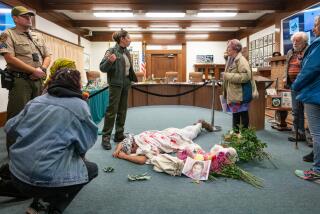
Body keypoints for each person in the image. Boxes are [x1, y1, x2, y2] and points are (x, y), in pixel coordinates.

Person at [4, 68, 98, 213]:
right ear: (78, 86)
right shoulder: (80, 106)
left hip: (16, 171)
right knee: (91, 169)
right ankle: (43, 206)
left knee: (25, 171)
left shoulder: (37, 100)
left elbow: (10, 128)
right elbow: (84, 144)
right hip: (43, 180)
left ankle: (15, 187)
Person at [0, 6, 51, 153]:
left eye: (29, 16)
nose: (29, 18)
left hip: (38, 81)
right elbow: (9, 57)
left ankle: (34, 149)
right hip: (21, 82)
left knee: (38, 115)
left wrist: (42, 69)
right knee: (17, 117)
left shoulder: (38, 36)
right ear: (15, 18)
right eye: (24, 16)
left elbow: (47, 55)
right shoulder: (7, 34)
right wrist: (33, 70)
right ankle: (14, 155)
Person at [100, 29, 137, 150]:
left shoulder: (126, 51)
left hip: (125, 83)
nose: (130, 39)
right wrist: (110, 61)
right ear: (122, 39)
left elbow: (128, 69)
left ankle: (119, 134)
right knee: (112, 111)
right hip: (115, 84)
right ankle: (105, 137)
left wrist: (132, 79)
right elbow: (102, 68)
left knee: (122, 110)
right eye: (128, 37)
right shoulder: (111, 51)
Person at [293, 16, 320, 182]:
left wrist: (295, 85)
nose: (314, 28)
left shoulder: (318, 44)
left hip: (315, 93)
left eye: (316, 24)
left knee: (317, 133)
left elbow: (311, 69)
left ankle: (317, 170)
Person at [112, 120, 214, 165]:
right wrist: (117, 150)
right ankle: (196, 125)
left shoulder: (144, 147)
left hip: (173, 139)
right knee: (184, 130)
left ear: (133, 145)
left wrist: (124, 156)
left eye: (132, 149)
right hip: (169, 132)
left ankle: (200, 124)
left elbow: (142, 160)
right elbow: (123, 142)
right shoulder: (136, 137)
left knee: (191, 134)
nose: (133, 151)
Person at [283, 32, 309, 142]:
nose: (294, 43)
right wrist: (285, 77)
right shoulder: (290, 52)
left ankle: (312, 137)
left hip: (307, 86)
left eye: (297, 41)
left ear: (304, 42)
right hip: (294, 85)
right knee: (296, 111)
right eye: (293, 40)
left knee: (309, 111)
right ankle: (298, 133)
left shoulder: (309, 51)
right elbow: (287, 66)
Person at [222, 39, 252, 131]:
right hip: (235, 94)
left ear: (235, 49)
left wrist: (227, 76)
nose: (227, 49)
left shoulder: (241, 60)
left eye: (229, 47)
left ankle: (244, 137)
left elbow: (246, 76)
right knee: (235, 115)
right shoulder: (231, 59)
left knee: (243, 114)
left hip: (240, 94)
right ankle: (236, 135)